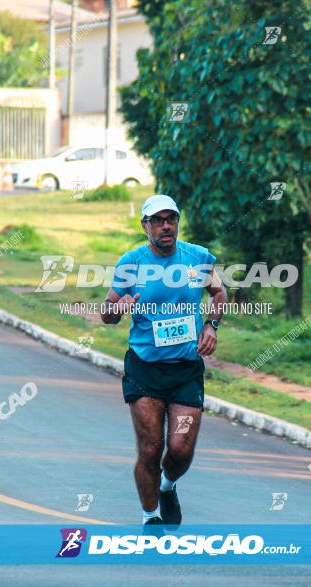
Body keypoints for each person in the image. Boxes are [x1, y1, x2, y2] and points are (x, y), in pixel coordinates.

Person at [101, 194, 228, 527]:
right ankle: (150, 517)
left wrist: (211, 325)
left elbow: (219, 293)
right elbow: (106, 313)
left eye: (171, 218)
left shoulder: (198, 258)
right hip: (145, 370)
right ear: (145, 226)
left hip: (186, 371)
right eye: (157, 220)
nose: (166, 226)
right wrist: (119, 307)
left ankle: (167, 485)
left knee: (181, 448)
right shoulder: (131, 263)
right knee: (149, 448)